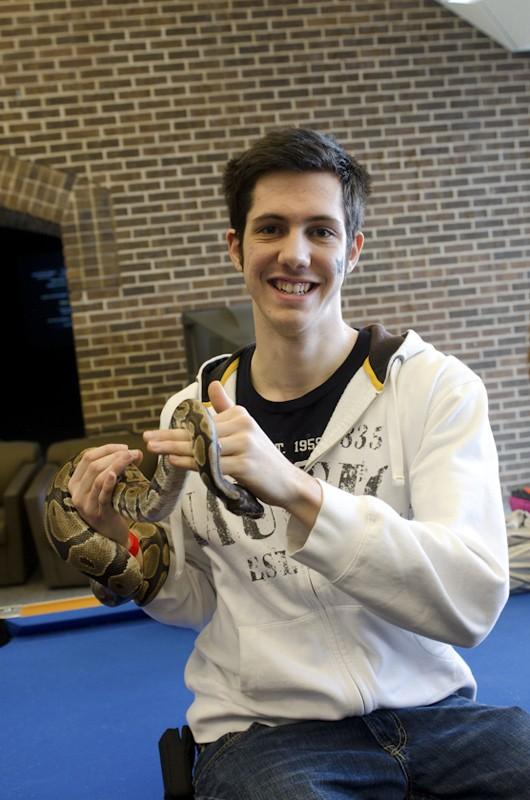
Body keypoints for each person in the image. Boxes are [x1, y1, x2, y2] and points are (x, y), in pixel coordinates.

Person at [69, 128, 530, 799]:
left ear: (354, 249)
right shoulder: (187, 415)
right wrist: (114, 543)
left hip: (439, 718)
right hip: (266, 734)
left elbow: (473, 601)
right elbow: (194, 598)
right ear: (237, 247)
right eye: (272, 228)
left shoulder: (434, 388)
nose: (295, 253)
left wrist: (293, 489)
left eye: (320, 230)